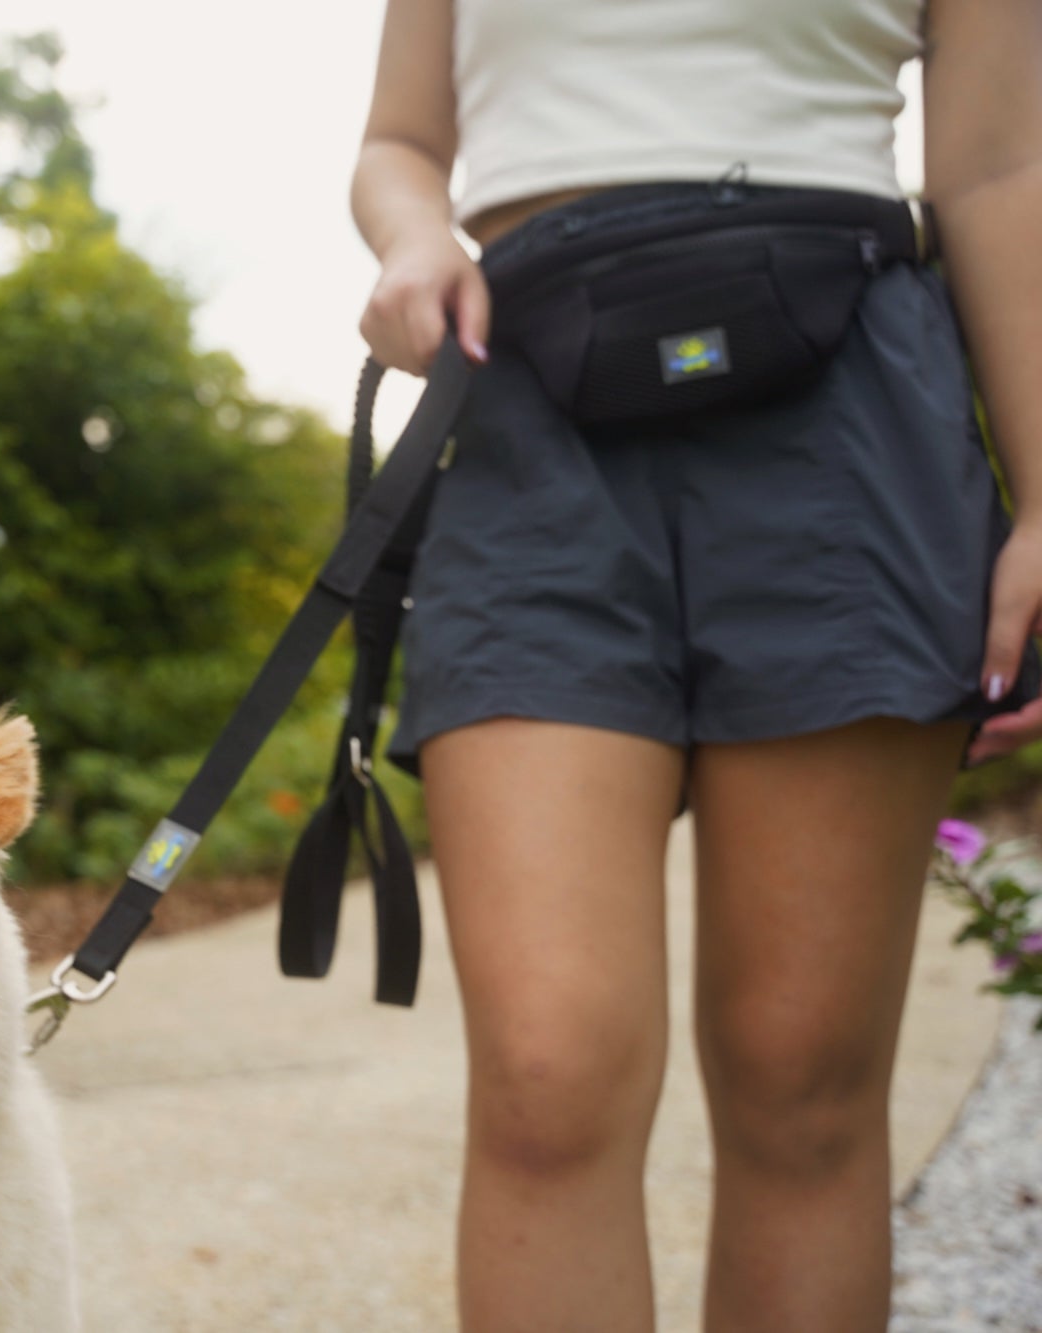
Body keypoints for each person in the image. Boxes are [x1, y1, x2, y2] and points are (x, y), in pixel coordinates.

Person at [348, 1, 1042, 1329]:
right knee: (550, 1073)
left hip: (852, 411)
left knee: (807, 1083)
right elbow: (398, 139)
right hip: (529, 402)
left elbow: (1002, 165)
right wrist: (413, 233)